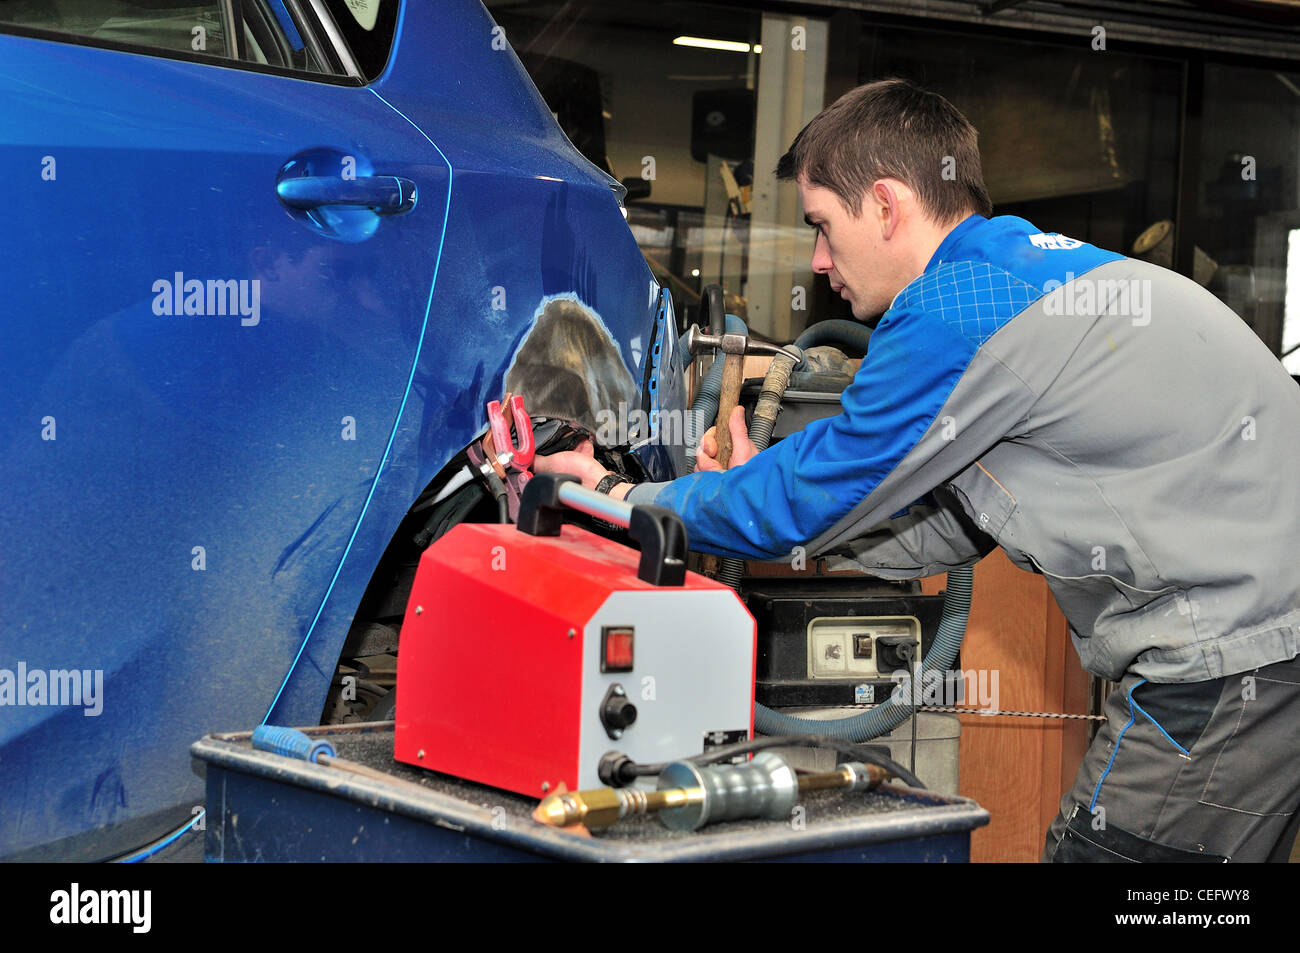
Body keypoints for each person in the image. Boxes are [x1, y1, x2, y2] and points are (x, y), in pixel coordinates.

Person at [535, 78, 1300, 862]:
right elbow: (946, 523)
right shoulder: (1025, 277)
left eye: (824, 225)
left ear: (888, 204)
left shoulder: (958, 305)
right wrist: (763, 507)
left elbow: (814, 488)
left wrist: (617, 495)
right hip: (1269, 643)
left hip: (1232, 657)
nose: (820, 261)